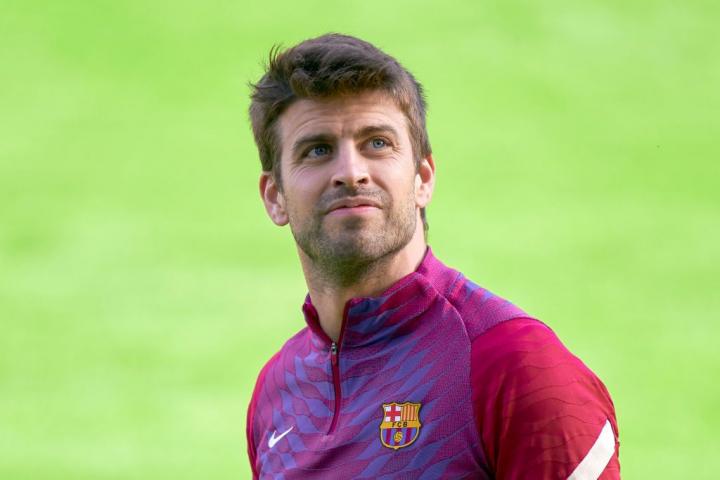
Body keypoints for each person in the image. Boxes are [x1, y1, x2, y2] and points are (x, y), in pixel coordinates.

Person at [245, 33, 620, 479]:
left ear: (423, 177)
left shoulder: (516, 366)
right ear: (275, 197)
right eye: (318, 150)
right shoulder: (277, 392)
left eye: (377, 143)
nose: (351, 172)